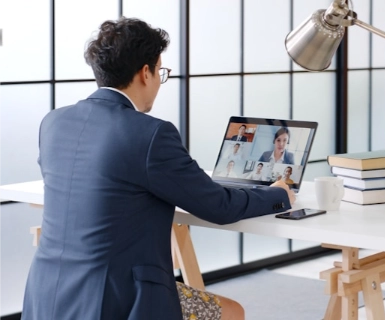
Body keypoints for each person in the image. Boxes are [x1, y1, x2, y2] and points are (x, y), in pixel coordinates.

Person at [22, 17, 295, 320]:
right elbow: (220, 207)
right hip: (119, 301)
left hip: (47, 295)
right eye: (160, 72)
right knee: (232, 313)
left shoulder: (54, 123)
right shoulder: (150, 134)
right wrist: (277, 193)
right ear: (145, 73)